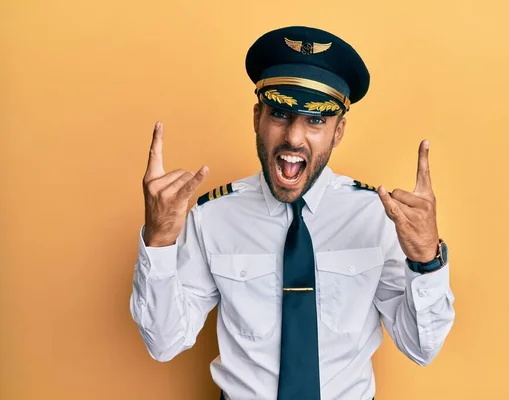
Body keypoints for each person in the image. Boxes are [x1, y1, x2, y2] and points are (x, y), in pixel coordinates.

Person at [129, 25, 455, 400]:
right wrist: (159, 242)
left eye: (316, 119)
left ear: (338, 131)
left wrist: (426, 261)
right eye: (280, 113)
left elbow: (421, 348)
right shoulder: (211, 218)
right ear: (257, 118)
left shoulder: (378, 218)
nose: (294, 137)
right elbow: (164, 342)